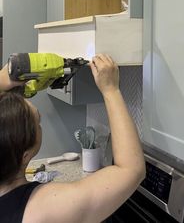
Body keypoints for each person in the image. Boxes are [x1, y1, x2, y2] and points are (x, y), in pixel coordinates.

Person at [0, 54, 146, 223]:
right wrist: (111, 90)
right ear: (24, 155)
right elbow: (131, 170)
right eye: (38, 122)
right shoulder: (41, 208)